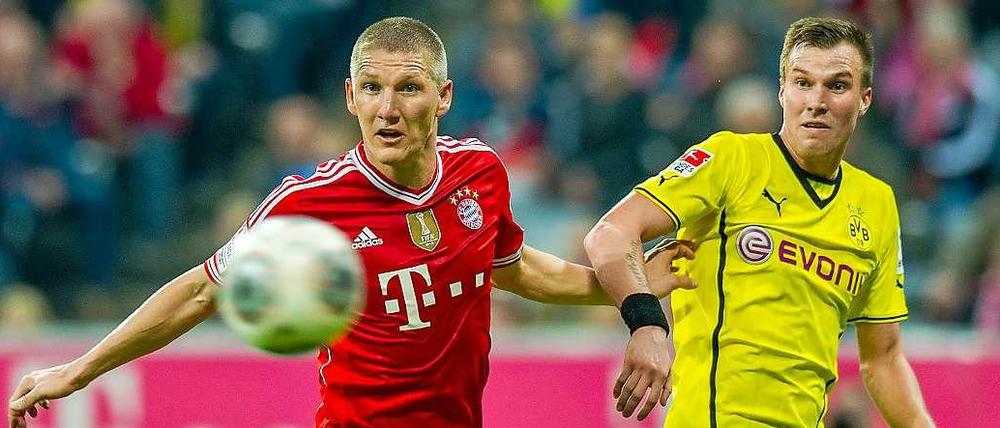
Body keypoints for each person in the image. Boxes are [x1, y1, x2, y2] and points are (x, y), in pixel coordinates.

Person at [7, 17, 695, 428]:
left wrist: (622, 288)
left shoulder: (480, 172)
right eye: (372, 88)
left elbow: (513, 269)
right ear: (349, 97)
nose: (388, 108)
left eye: (408, 88)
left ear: (443, 96)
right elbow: (198, 291)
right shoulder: (308, 203)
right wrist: (82, 368)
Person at [584, 17, 936, 427]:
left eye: (837, 86)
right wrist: (646, 324)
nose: (816, 101)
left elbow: (884, 359)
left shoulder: (876, 202)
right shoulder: (731, 159)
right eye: (802, 83)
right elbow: (611, 232)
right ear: (782, 90)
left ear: (865, 99)